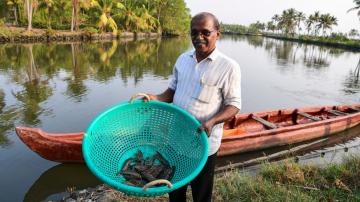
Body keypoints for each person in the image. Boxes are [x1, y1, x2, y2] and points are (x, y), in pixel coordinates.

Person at [144, 12, 241, 202]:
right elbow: (171, 92)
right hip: (175, 140)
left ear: (217, 34)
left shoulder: (229, 67)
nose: (199, 37)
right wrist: (153, 97)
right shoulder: (182, 59)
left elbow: (234, 105)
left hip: (203, 144)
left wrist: (212, 121)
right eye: (194, 32)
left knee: (201, 194)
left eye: (205, 32)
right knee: (175, 190)